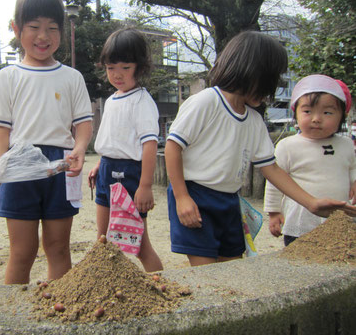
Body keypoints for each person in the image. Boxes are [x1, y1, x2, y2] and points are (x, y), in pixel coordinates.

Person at [164, 31, 356, 267]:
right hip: (196, 195)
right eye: (271, 78)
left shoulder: (253, 120)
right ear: (252, 72)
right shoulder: (206, 101)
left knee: (232, 268)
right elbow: (173, 147)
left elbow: (271, 168)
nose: (272, 87)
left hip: (229, 200)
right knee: (206, 272)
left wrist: (311, 203)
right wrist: (182, 197)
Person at [0, 0, 93, 284]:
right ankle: (13, 317)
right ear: (16, 29)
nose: (43, 36)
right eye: (34, 27)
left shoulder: (72, 77)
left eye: (52, 28)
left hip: (62, 164)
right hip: (19, 164)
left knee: (59, 248)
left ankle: (59, 314)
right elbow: (0, 128)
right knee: (22, 250)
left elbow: (83, 124)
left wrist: (81, 148)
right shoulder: (7, 76)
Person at [88, 28, 163, 272]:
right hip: (107, 170)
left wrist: (145, 186)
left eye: (125, 67)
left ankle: (161, 287)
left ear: (139, 67)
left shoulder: (142, 101)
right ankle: (107, 287)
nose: (117, 74)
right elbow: (114, 141)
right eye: (111, 68)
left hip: (129, 174)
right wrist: (100, 164)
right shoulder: (111, 100)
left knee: (139, 244)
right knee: (103, 240)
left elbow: (149, 145)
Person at [264, 74, 356, 246]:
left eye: (327, 112)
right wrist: (274, 212)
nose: (316, 119)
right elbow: (275, 181)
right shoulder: (287, 146)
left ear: (341, 116)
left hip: (339, 222)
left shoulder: (345, 144)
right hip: (300, 221)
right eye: (307, 111)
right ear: (295, 112)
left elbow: (352, 167)